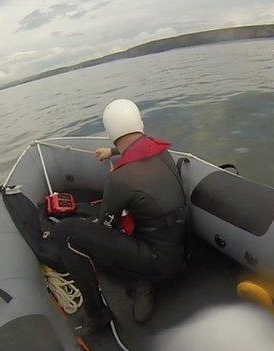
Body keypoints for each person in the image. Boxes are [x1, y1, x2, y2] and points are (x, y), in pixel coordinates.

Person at [52, 98, 188, 332]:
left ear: (109, 132)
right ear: (140, 124)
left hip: (156, 263)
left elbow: (107, 228)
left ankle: (98, 314)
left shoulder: (120, 179)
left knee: (65, 232)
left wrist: (103, 206)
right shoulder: (163, 153)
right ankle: (140, 282)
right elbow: (135, 147)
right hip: (181, 254)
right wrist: (113, 152)